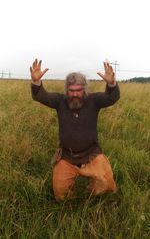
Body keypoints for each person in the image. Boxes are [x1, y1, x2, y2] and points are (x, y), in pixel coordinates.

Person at [30, 58, 120, 201]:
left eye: (78, 90)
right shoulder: (60, 101)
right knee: (61, 194)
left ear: (84, 89)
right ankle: (72, 203)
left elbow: (112, 98)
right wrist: (36, 82)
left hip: (92, 153)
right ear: (67, 90)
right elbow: (42, 96)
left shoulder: (94, 100)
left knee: (107, 185)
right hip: (67, 156)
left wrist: (111, 84)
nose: (75, 94)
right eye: (71, 90)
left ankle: (91, 193)